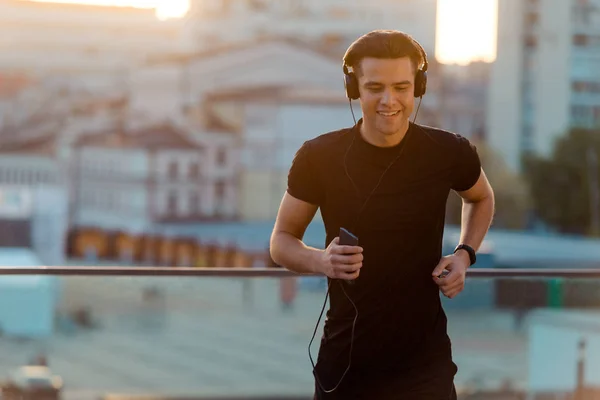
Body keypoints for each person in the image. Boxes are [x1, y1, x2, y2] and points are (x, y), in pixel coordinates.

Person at [269, 30, 495, 399]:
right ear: (354, 88)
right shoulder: (318, 157)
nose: (389, 101)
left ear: (418, 88)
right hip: (345, 366)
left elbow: (481, 198)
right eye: (375, 87)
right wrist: (322, 260)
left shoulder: (449, 151)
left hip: (427, 368)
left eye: (402, 87)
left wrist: (464, 254)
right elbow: (281, 242)